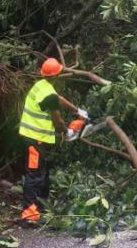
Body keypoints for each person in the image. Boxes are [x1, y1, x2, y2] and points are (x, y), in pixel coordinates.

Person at [17, 57, 88, 223]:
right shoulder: (48, 93)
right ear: (56, 75)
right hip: (36, 138)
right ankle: (28, 213)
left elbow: (59, 99)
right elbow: (58, 121)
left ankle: (41, 205)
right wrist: (68, 132)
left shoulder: (41, 86)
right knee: (33, 174)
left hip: (34, 137)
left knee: (42, 171)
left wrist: (78, 111)